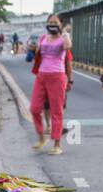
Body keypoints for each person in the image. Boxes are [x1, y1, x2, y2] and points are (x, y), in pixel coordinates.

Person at [29, 13, 72, 154]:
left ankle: (57, 144)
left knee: (56, 111)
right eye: (50, 22)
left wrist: (63, 33)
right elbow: (38, 53)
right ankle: (41, 137)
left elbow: (67, 46)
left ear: (60, 24)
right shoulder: (43, 38)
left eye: (56, 22)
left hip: (57, 76)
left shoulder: (63, 38)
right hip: (41, 75)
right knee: (35, 108)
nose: (53, 24)